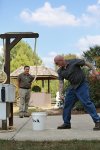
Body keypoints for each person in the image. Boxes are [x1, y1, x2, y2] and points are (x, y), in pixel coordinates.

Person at [54, 55, 100, 130]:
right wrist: (60, 93)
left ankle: (98, 121)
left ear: (62, 60)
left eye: (56, 63)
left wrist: (95, 72)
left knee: (86, 102)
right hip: (73, 87)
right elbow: (61, 83)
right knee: (67, 104)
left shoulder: (74, 62)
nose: (56, 65)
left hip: (82, 84)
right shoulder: (60, 71)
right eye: (55, 63)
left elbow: (88, 64)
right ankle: (66, 123)